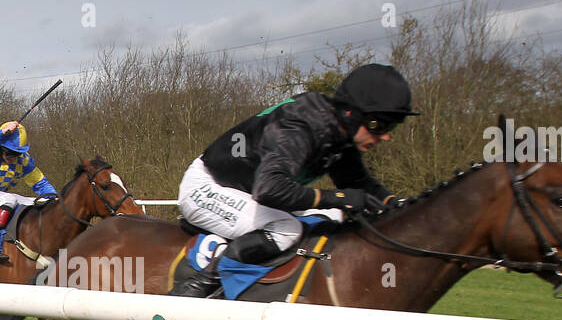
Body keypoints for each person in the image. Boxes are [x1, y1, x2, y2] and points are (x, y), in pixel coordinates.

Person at [168, 63, 418, 298]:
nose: (385, 136)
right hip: (208, 187)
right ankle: (200, 288)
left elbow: (357, 182)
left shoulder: (338, 130)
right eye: (378, 125)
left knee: (333, 217)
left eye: (391, 127)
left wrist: (396, 207)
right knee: (286, 229)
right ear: (350, 113)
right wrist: (340, 198)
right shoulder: (299, 127)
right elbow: (271, 189)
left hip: (246, 189)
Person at [0, 121, 58, 265]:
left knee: (34, 203)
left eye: (17, 153)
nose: (13, 157)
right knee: (8, 199)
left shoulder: (23, 161)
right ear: (0, 146)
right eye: (10, 152)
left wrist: (54, 197)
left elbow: (40, 183)